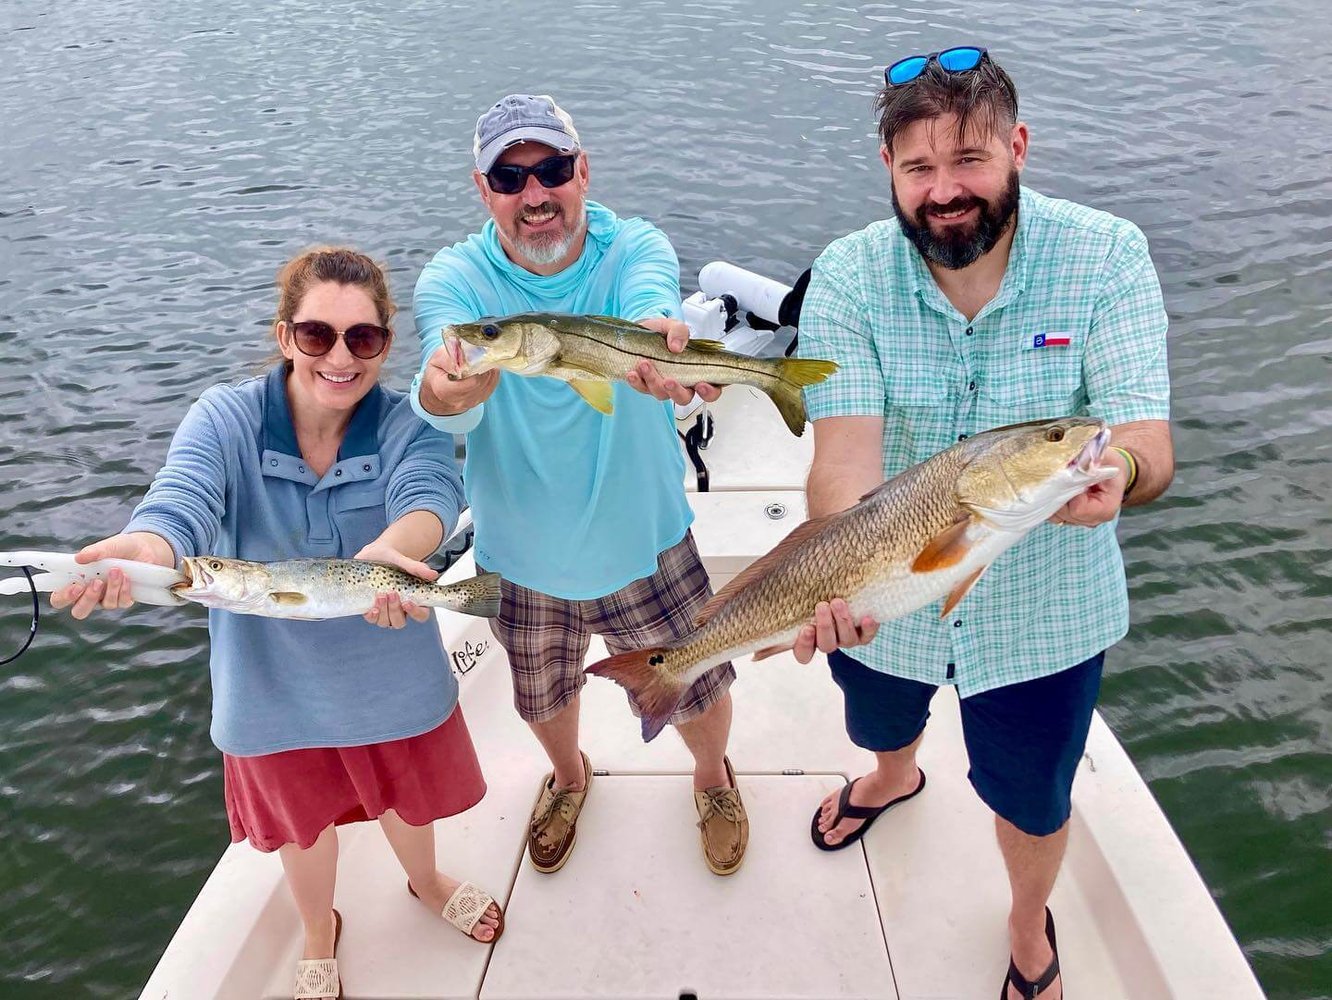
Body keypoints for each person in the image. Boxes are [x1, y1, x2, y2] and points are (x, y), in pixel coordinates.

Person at [792, 47, 1174, 1000]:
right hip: (886, 603)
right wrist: (839, 582)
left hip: (1049, 616)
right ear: (888, 168)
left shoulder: (1107, 254)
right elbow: (843, 465)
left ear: (1019, 147)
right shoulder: (847, 274)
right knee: (878, 715)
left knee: (1032, 799)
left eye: (969, 161)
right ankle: (891, 777)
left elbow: (1143, 439)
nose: (945, 191)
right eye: (919, 168)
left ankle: (1025, 925)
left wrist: (1117, 474)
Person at [51, 247, 503, 1000]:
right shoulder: (225, 418)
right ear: (285, 334)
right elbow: (182, 501)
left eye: (363, 339)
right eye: (317, 333)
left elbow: (430, 489)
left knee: (404, 803)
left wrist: (395, 551)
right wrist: (148, 548)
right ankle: (319, 927)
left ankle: (423, 881)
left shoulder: (404, 423)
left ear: (385, 345)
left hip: (387, 671)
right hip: (270, 692)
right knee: (304, 827)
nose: (339, 357)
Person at [410, 94, 748, 877]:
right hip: (519, 556)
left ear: (583, 171)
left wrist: (664, 343)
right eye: (510, 176)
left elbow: (651, 303)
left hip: (645, 539)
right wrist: (443, 392)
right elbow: (441, 369)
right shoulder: (456, 277)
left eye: (552, 169)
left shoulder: (633, 247)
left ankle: (711, 778)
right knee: (540, 696)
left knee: (692, 685)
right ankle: (568, 777)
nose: (535, 195)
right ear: (483, 188)